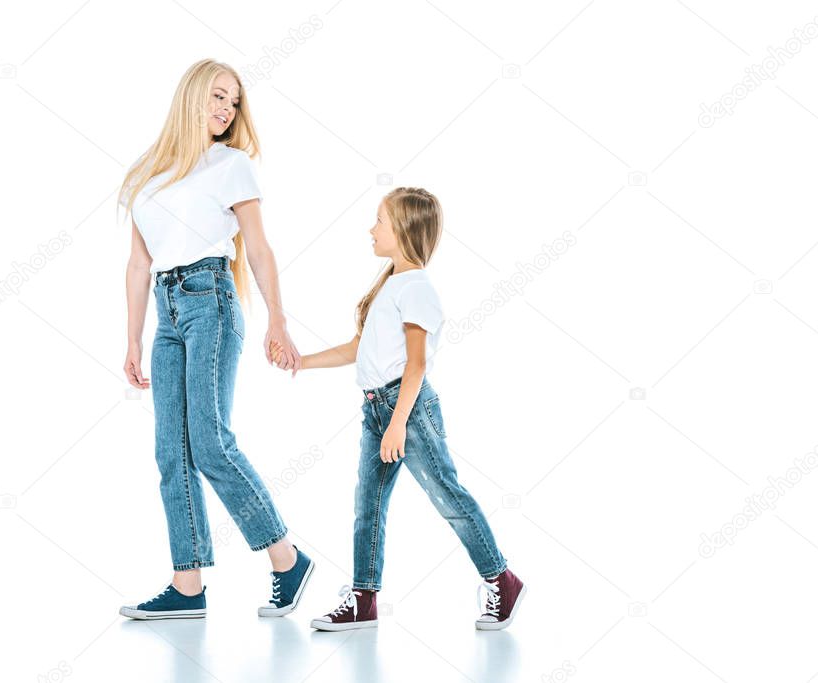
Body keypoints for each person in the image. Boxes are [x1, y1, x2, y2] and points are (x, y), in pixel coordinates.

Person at [273, 187, 525, 631]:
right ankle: (363, 601)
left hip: (404, 408)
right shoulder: (391, 284)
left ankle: (501, 579)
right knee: (366, 506)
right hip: (377, 409)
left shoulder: (418, 289)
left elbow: (417, 364)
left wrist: (398, 424)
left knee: (447, 495)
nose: (372, 229)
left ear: (405, 229)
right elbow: (358, 348)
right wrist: (302, 361)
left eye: (380, 222)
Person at [117, 59, 314, 620]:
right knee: (170, 451)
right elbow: (137, 265)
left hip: (212, 302)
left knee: (210, 442)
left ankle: (287, 559)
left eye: (233, 102)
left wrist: (278, 319)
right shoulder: (146, 174)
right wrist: (133, 339)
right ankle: (187, 585)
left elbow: (258, 247)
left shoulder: (232, 165)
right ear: (191, 97)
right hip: (167, 310)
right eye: (218, 97)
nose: (226, 110)